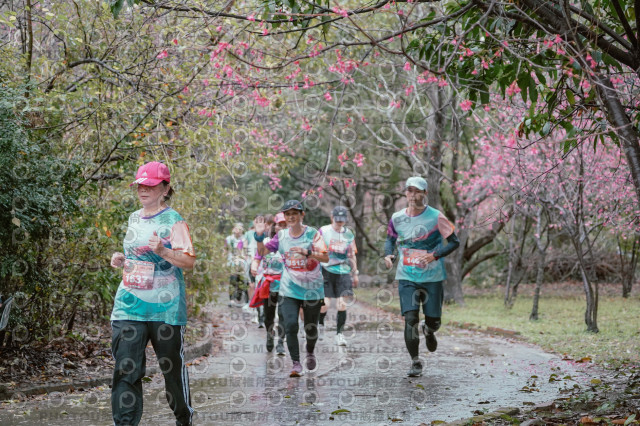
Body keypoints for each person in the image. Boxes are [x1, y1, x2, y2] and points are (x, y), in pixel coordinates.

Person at [109, 161, 196, 425]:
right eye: (140, 185)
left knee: (171, 371)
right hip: (129, 304)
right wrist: (121, 259)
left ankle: (184, 419)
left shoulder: (174, 220)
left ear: (165, 189)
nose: (143, 190)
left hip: (165, 308)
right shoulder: (133, 217)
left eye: (150, 185)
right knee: (126, 370)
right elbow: (136, 255)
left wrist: (163, 251)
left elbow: (188, 262)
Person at [383, 176, 460, 378]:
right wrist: (388, 255)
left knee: (434, 320)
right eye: (410, 190)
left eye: (417, 191)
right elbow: (390, 240)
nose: (413, 195)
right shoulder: (396, 218)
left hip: (432, 277)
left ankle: (429, 329)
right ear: (405, 193)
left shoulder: (436, 217)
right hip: (406, 275)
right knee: (410, 318)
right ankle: (415, 361)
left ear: (425, 193)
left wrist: (434, 255)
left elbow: (454, 242)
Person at [255, 200, 329, 377]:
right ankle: (296, 363)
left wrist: (308, 253)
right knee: (290, 325)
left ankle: (310, 351)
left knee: (311, 328)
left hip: (312, 289)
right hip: (289, 288)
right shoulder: (281, 236)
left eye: (294, 213)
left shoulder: (312, 234)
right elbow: (263, 252)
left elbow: (325, 257)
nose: (291, 217)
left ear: (302, 215)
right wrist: (259, 237)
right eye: (287, 214)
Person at [318, 206, 359, 346]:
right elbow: (316, 251)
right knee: (325, 304)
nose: (339, 222)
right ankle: (320, 325)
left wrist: (355, 273)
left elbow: (352, 255)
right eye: (337, 219)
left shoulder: (349, 234)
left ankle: (339, 334)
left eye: (342, 220)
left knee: (342, 304)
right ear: (332, 218)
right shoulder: (324, 231)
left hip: (343, 270)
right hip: (326, 270)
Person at [251, 212, 287, 355]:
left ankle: (281, 342)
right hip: (268, 283)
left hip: (285, 284)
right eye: (279, 224)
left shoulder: (291, 242)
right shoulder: (267, 242)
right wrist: (254, 266)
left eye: (284, 225)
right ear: (274, 226)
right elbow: (258, 256)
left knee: (284, 314)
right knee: (268, 315)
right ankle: (270, 334)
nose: (281, 227)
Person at [225, 223, 247, 307]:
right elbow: (225, 250)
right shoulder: (229, 239)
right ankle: (231, 299)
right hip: (231, 262)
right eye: (237, 228)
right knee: (233, 279)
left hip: (241, 261)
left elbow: (244, 251)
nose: (238, 231)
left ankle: (238, 297)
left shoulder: (244, 239)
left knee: (240, 280)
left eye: (240, 229)